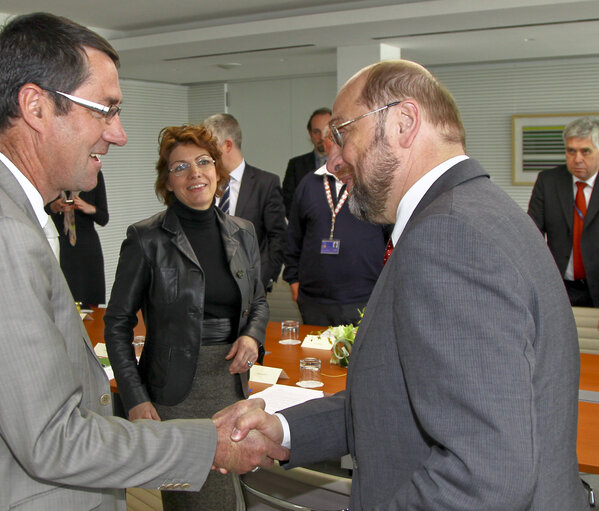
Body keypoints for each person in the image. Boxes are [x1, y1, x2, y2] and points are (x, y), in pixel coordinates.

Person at [0, 13, 284, 511]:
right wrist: (203, 443)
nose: (119, 133)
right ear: (36, 106)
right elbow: (52, 439)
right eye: (105, 110)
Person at [220, 59, 588, 509]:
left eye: (342, 133)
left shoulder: (450, 236)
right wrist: (286, 428)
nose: (332, 159)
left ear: (404, 122)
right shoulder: (477, 212)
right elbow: (400, 400)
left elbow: (485, 473)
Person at [105, 124, 269, 510]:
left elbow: (258, 299)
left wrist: (252, 336)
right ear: (168, 182)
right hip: (176, 393)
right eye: (180, 167)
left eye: (202, 162)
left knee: (241, 497)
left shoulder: (242, 232)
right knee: (198, 503)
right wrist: (135, 398)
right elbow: (117, 324)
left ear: (217, 169)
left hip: (232, 385)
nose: (195, 173)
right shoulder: (146, 239)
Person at [283, 126, 388, 326]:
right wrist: (293, 281)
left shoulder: (372, 184)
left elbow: (391, 239)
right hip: (314, 301)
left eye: (344, 138)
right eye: (332, 138)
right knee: (314, 356)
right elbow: (293, 237)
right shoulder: (308, 184)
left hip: (364, 298)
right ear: (325, 143)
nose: (338, 144)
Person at [202, 113, 286, 291]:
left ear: (227, 145)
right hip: (207, 286)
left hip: (250, 288)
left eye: (209, 147)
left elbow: (277, 238)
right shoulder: (203, 183)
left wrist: (260, 281)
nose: (205, 154)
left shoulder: (265, 183)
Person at [528, 116, 599, 307]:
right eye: (571, 151)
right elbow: (531, 234)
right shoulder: (548, 182)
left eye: (586, 151)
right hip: (559, 287)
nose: (577, 159)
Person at [47, 170, 109, 306]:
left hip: (87, 248)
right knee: (62, 300)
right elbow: (39, 210)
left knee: (90, 302)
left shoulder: (94, 174)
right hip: (61, 246)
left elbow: (104, 218)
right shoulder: (51, 172)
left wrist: (87, 208)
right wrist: (54, 207)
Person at [282, 107, 331, 216]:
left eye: (326, 132)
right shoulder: (295, 166)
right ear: (310, 134)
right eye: (316, 132)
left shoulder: (345, 164)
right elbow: (288, 203)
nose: (322, 137)